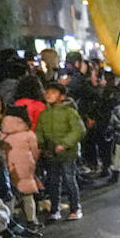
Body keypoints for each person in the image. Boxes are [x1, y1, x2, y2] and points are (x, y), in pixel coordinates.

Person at [35, 82, 86, 221]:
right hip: (51, 153)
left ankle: (75, 208)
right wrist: (41, 144)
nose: (49, 95)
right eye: (47, 92)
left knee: (69, 179)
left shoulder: (70, 112)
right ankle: (54, 209)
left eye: (53, 92)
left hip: (68, 153)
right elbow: (39, 131)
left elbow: (79, 130)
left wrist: (64, 144)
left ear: (62, 97)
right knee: (52, 181)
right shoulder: (44, 114)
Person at [0, 108, 40, 226]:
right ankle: (31, 220)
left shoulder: (3, 136)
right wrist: (33, 162)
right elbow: (35, 151)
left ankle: (12, 221)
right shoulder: (28, 134)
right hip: (26, 169)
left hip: (9, 168)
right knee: (28, 196)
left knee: (11, 196)